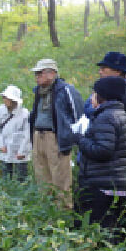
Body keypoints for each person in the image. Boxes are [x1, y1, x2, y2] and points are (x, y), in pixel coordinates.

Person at [74, 77, 126, 241]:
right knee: (113, 235)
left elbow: (103, 150)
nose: (92, 96)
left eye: (94, 93)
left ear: (102, 96)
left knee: (95, 234)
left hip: (100, 186)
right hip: (117, 184)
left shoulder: (105, 117)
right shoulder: (123, 115)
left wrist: (80, 139)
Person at [29, 58, 84, 210]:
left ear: (51, 73)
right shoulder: (38, 92)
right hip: (38, 137)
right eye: (36, 73)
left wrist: (72, 141)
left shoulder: (66, 90)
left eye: (39, 73)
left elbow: (78, 117)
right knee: (42, 177)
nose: (36, 76)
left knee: (61, 179)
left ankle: (64, 214)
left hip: (56, 139)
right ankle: (48, 212)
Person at [84, 52, 126, 169]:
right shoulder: (107, 89)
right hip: (109, 155)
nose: (100, 71)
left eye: (104, 68)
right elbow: (87, 108)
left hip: (125, 159)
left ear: (118, 71)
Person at [0, 85, 31, 181]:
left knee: (21, 176)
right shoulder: (0, 111)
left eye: (7, 98)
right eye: (4, 97)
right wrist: (0, 145)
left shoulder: (25, 114)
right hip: (5, 147)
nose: (5, 100)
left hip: (19, 148)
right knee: (5, 175)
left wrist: (23, 151)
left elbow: (28, 134)